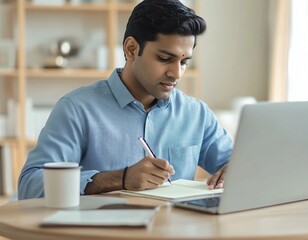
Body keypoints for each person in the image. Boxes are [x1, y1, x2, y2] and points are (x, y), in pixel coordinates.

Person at [18, 0, 233, 200]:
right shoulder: (77, 109)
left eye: (184, 62)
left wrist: (235, 171)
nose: (176, 74)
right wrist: (120, 179)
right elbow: (30, 186)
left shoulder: (196, 114)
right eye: (165, 59)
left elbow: (238, 164)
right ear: (131, 49)